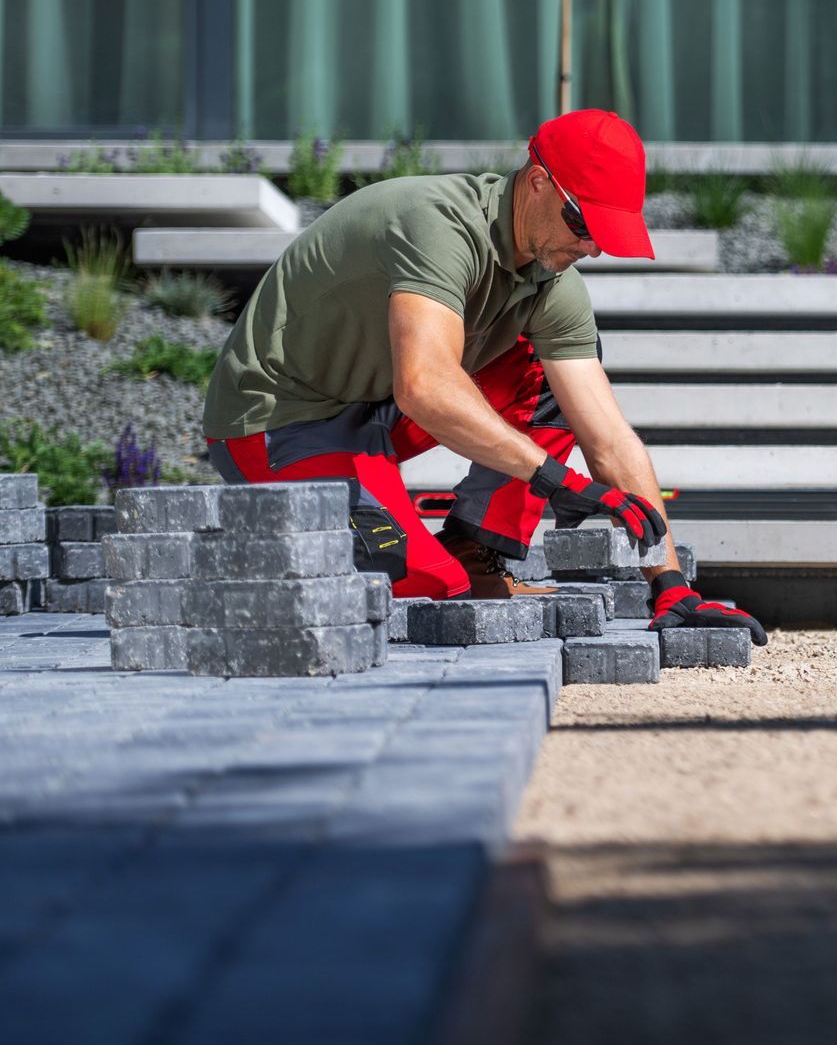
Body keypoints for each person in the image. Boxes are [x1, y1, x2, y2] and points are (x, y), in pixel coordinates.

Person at [201, 109, 765, 645]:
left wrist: (668, 586)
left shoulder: (551, 279)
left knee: (553, 374)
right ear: (539, 183)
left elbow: (608, 436)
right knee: (431, 587)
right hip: (279, 424)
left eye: (603, 237)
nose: (589, 248)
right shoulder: (439, 227)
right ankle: (258, 550)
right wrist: (556, 480)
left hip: (376, 409)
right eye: (582, 224)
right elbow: (423, 387)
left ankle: (474, 547)